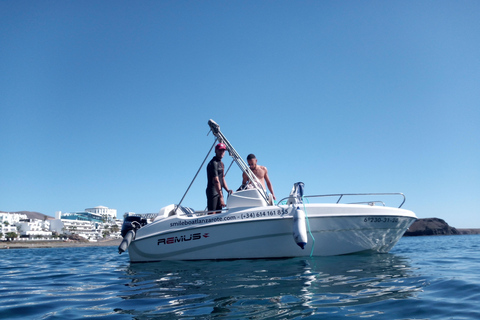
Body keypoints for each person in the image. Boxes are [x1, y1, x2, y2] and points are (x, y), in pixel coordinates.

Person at [206, 143, 232, 214]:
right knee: (212, 214)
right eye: (220, 150)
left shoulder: (222, 164)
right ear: (216, 151)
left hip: (219, 190)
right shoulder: (213, 163)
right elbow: (216, 180)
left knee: (219, 214)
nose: (222, 152)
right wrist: (221, 197)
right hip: (212, 191)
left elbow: (222, 178)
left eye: (223, 151)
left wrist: (228, 190)